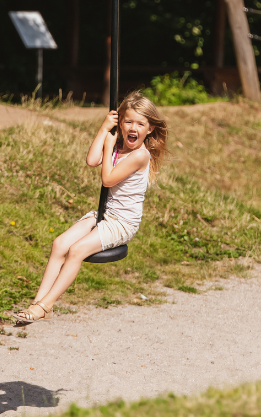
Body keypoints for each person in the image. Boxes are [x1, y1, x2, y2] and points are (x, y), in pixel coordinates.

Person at [12, 91, 168, 323]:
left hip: (122, 223)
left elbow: (107, 179)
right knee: (60, 244)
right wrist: (104, 130)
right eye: (127, 122)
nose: (133, 128)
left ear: (150, 128)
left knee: (76, 251)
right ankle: (38, 302)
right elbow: (92, 161)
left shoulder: (140, 156)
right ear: (120, 123)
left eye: (140, 124)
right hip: (105, 214)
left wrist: (108, 146)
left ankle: (46, 304)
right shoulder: (118, 145)